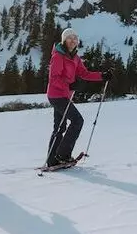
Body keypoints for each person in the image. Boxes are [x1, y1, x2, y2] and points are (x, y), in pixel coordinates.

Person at [45, 28, 112, 167]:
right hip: (57, 95)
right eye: (70, 38)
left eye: (75, 38)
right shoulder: (58, 56)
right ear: (64, 40)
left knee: (59, 127)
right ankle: (63, 155)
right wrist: (69, 85)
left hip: (64, 95)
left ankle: (52, 160)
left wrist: (102, 75)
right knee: (77, 120)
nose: (73, 40)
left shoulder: (74, 57)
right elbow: (54, 78)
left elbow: (84, 73)